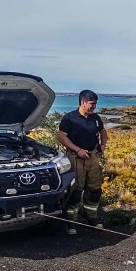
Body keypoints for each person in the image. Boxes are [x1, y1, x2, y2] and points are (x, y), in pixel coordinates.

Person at [57, 90, 108, 234]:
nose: (94, 107)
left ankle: (91, 218)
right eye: (92, 104)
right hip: (76, 158)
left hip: (93, 157)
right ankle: (71, 222)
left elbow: (103, 132)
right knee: (75, 190)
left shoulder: (96, 118)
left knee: (94, 189)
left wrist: (103, 146)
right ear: (83, 102)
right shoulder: (69, 118)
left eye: (96, 104)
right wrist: (78, 150)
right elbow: (61, 137)